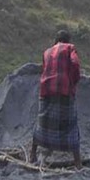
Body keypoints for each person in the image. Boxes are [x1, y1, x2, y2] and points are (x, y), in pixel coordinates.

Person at [31, 30, 82, 168]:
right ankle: (78, 163)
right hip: (64, 90)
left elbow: (45, 69)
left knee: (43, 122)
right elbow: (75, 64)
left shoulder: (46, 52)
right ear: (68, 40)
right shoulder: (70, 48)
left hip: (46, 89)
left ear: (56, 40)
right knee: (70, 125)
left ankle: (32, 155)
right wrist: (73, 81)